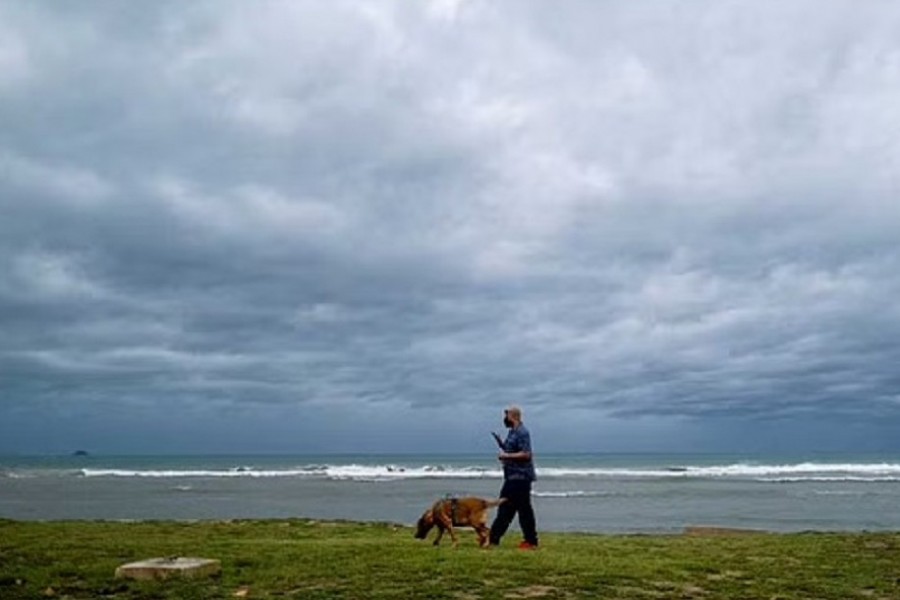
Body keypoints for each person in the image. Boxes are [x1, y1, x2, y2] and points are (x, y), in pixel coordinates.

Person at [489, 405, 539, 549]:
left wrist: (506, 455)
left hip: (521, 478)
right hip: (512, 477)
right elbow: (512, 450)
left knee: (521, 510)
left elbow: (526, 454)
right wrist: (501, 443)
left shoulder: (522, 432)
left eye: (506, 416)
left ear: (513, 417)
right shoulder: (512, 432)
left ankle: (530, 541)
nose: (504, 419)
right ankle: (494, 539)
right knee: (507, 509)